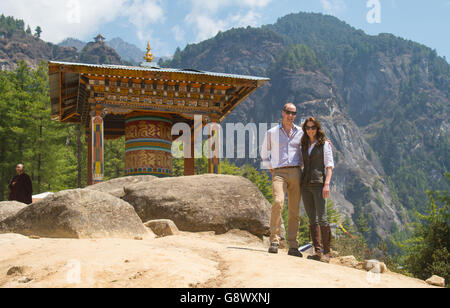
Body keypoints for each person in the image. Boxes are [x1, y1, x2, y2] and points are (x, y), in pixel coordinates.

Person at [261, 103, 303, 257]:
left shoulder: (301, 132)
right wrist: (271, 167)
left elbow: (312, 142)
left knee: (294, 209)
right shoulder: (272, 132)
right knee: (278, 202)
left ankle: (293, 246)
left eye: (293, 113)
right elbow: (264, 152)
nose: (290, 116)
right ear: (282, 113)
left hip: (296, 172)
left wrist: (325, 142)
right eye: (288, 112)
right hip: (279, 173)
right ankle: (274, 240)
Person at [300, 117, 334, 263]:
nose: (310, 130)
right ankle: (317, 251)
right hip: (305, 185)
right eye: (307, 128)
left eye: (313, 127)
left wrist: (327, 184)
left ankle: (327, 253)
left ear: (317, 128)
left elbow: (329, 166)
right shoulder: (304, 143)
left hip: (319, 184)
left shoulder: (324, 144)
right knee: (311, 218)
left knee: (322, 218)